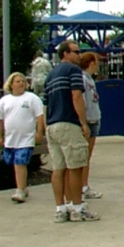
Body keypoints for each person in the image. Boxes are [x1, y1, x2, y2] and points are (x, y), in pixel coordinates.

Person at [44, 41, 99, 222]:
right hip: (69, 122)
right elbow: (76, 96)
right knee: (76, 167)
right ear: (65, 54)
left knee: (58, 168)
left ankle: (61, 208)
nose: (79, 55)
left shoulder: (50, 75)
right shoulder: (74, 71)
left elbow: (46, 103)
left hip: (52, 125)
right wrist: (83, 123)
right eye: (76, 52)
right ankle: (78, 207)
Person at [0, 72, 45, 202]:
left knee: (19, 162)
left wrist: (39, 132)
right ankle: (23, 186)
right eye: (18, 81)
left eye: (23, 81)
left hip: (26, 138)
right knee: (13, 163)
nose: (21, 83)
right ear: (11, 84)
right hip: (11, 139)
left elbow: (39, 116)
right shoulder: (4, 101)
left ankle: (20, 190)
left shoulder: (31, 98)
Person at [79, 52, 103, 200]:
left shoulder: (90, 80)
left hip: (94, 118)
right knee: (84, 157)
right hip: (88, 119)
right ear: (92, 63)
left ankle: (84, 184)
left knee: (87, 156)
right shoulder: (82, 79)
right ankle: (83, 186)